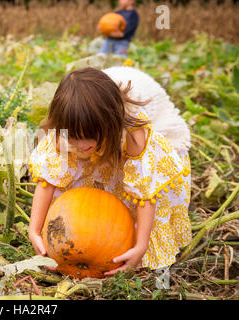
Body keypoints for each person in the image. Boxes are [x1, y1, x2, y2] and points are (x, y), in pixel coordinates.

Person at [28, 66, 192, 276]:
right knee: (71, 172)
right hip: (99, 118)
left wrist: (141, 246)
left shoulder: (133, 136)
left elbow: (145, 195)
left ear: (108, 124)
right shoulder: (64, 135)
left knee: (146, 197)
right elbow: (47, 181)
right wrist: (35, 229)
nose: (83, 144)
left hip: (131, 128)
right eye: (75, 138)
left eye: (89, 136)